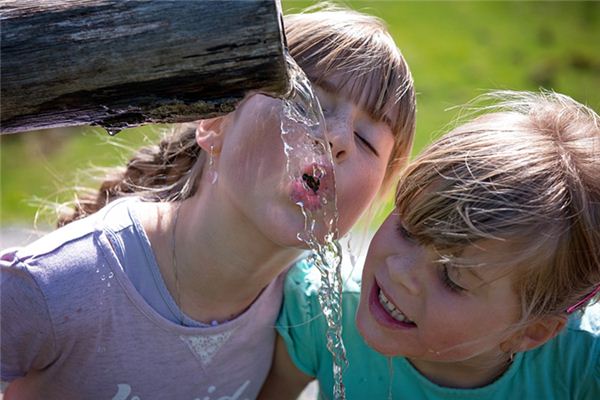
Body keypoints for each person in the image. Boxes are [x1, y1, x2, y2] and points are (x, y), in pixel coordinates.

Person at [0, 5, 416, 400]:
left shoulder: (302, 315)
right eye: (308, 104)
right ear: (214, 122)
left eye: (366, 140)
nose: (337, 139)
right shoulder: (61, 283)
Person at [261, 90, 600, 399]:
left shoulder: (582, 369)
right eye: (408, 230)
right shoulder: (321, 313)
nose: (400, 270)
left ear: (531, 331)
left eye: (451, 278)